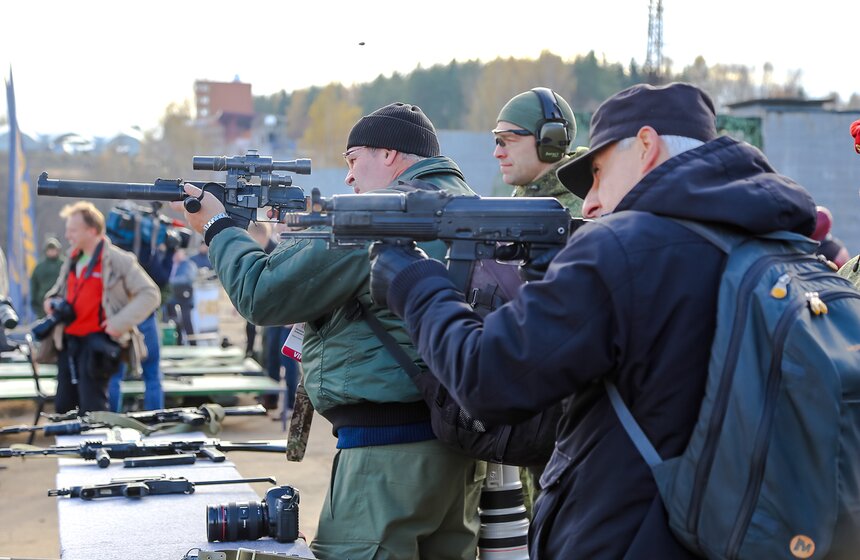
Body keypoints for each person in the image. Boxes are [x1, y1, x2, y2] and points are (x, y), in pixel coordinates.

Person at [368, 83, 819, 558]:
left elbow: (489, 380)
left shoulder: (626, 248)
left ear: (647, 146)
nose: (590, 204)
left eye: (599, 172)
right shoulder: (779, 244)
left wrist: (415, 285)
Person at [173, 102, 484, 560]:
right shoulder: (468, 205)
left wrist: (218, 227)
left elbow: (262, 295)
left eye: (353, 159)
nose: (349, 178)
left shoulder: (382, 215)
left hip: (386, 458)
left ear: (391, 155)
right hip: (459, 443)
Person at [41, 201, 160, 414]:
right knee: (63, 409)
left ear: (92, 230)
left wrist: (118, 324)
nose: (68, 235)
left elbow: (151, 294)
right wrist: (51, 301)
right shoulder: (72, 257)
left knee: (94, 412)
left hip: (97, 347)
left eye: (73, 230)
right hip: (68, 345)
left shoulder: (118, 260)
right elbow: (60, 290)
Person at [494, 87, 586, 215]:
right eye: (498, 142)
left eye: (509, 140)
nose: (497, 153)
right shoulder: (524, 202)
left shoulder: (584, 213)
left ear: (550, 141)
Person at [166, 248, 198, 345]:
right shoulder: (172, 264)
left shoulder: (188, 264)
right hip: (173, 299)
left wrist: (169, 282)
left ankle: (193, 344)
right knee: (175, 324)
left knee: (187, 322)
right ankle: (178, 344)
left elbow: (187, 279)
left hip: (185, 299)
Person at [30, 237, 65, 319]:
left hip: (61, 302)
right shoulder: (39, 267)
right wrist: (35, 305)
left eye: (54, 249)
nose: (52, 252)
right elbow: (34, 286)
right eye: (50, 249)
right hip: (43, 304)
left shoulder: (64, 264)